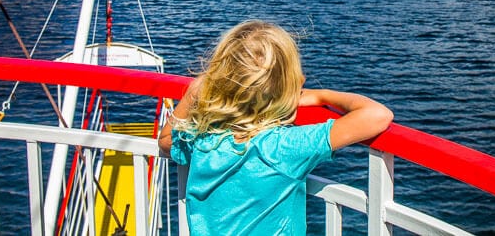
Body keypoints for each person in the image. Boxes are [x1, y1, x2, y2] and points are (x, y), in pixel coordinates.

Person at [158, 20, 393, 235]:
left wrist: (197, 89)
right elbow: (377, 115)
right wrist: (322, 96)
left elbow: (165, 139)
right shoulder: (283, 147)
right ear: (287, 87)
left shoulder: (204, 140)